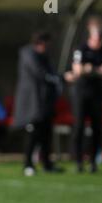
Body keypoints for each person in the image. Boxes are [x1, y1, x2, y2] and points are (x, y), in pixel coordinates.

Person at [13, 31, 63, 176]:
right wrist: (61, 78)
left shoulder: (45, 56)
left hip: (45, 103)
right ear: (40, 42)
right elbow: (40, 74)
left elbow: (50, 74)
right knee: (33, 134)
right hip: (32, 104)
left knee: (46, 134)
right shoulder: (27, 54)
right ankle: (28, 164)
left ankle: (47, 163)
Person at [64, 28, 102, 173]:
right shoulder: (81, 49)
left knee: (97, 128)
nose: (96, 42)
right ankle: (78, 161)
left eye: (99, 40)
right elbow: (78, 70)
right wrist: (98, 70)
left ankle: (93, 162)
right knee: (78, 126)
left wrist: (91, 68)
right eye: (94, 39)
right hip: (80, 93)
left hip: (97, 94)